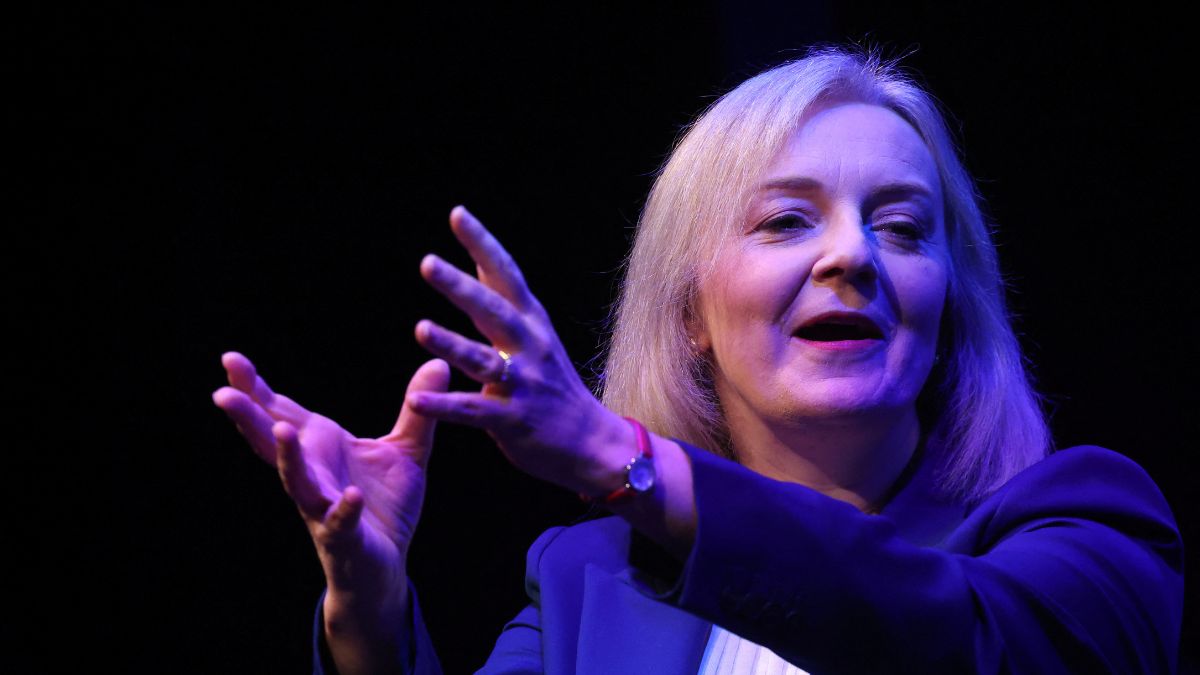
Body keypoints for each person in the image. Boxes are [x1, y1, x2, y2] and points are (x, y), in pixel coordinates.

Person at [213, 47, 1183, 674]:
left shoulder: (1089, 527)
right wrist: (370, 615)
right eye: (787, 221)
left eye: (903, 226)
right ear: (690, 317)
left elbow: (961, 643)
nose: (853, 256)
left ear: (950, 306)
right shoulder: (586, 583)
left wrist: (622, 458)